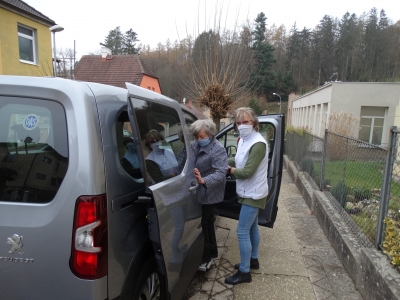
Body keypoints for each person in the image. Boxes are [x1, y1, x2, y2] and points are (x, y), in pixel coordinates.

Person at [224, 107, 269, 285]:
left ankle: (244, 272)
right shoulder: (244, 140)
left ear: (254, 123)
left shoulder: (258, 143)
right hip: (249, 192)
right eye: (239, 122)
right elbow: (238, 159)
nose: (242, 125)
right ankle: (253, 260)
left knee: (242, 231)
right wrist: (222, 161)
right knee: (252, 228)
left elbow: (247, 171)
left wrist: (228, 170)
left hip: (254, 193)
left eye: (246, 122)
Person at [190, 119, 228, 266]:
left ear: (211, 135)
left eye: (202, 137)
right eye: (197, 137)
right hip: (197, 188)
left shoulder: (217, 149)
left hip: (209, 190)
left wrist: (204, 180)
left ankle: (205, 257)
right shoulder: (195, 145)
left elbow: (220, 173)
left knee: (204, 224)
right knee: (207, 222)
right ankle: (211, 252)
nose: (199, 140)